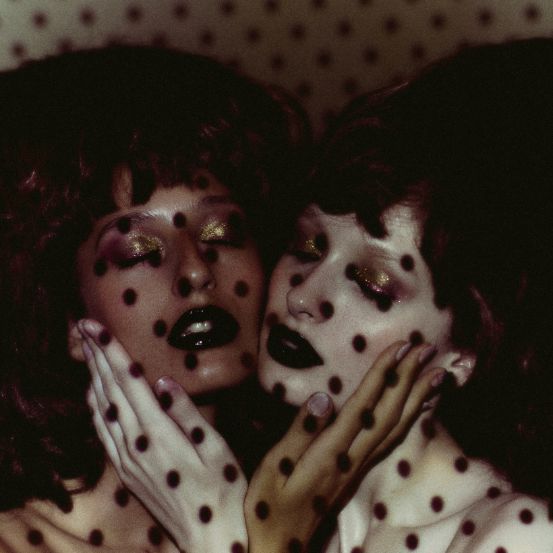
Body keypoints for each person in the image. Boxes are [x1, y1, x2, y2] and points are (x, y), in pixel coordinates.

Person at [84, 39, 553, 552]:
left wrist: (216, 533)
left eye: (371, 284)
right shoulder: (295, 512)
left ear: (466, 350)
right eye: (308, 247)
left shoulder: (519, 534)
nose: (304, 295)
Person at [0, 46, 431, 553]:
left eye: (223, 232)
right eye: (140, 251)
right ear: (69, 314)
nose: (196, 270)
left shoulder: (340, 524)